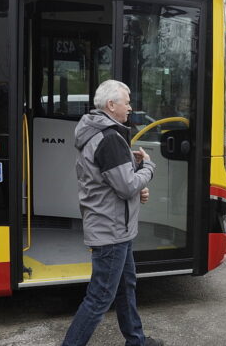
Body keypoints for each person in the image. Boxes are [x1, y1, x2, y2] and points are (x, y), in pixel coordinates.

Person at [62, 80, 163, 346]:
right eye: (126, 102)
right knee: (99, 299)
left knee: (125, 287)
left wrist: (132, 167)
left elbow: (114, 179)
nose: (130, 107)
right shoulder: (109, 138)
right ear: (111, 105)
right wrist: (148, 168)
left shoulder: (100, 133)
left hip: (118, 229)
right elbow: (126, 185)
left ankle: (136, 340)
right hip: (111, 232)